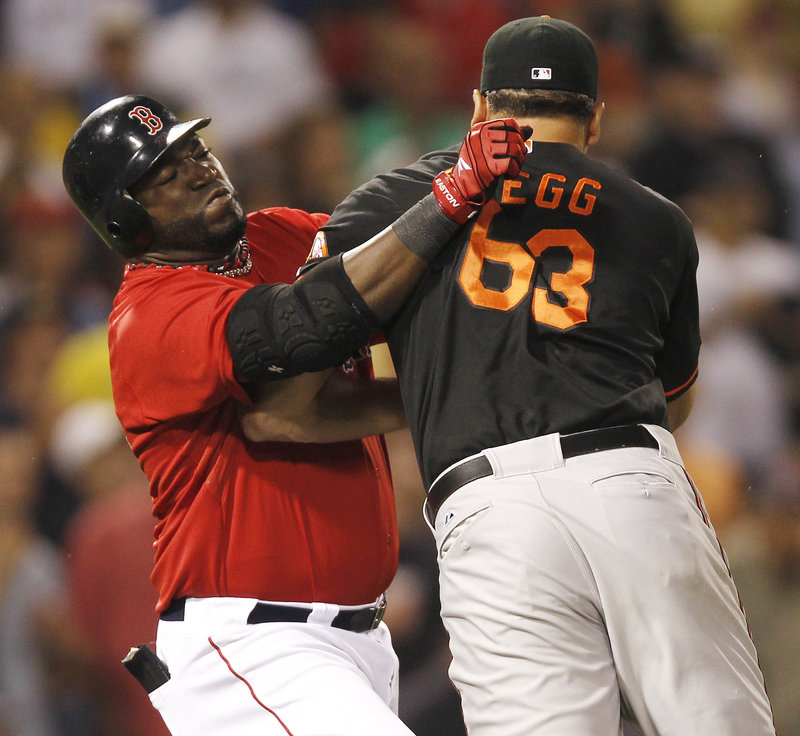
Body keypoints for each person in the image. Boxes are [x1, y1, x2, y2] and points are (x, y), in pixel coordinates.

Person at [310, 16, 777, 736]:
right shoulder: (657, 220)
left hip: (486, 501)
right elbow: (677, 401)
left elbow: (310, 320)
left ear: (479, 108)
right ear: (594, 119)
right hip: (629, 480)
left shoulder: (396, 196)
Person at [60, 94, 526, 735]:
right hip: (252, 645)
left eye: (196, 149)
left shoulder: (274, 235)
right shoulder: (151, 315)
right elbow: (301, 328)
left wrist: (493, 144)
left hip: (355, 642)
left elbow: (383, 229)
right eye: (166, 173)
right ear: (125, 218)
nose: (200, 170)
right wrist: (453, 189)